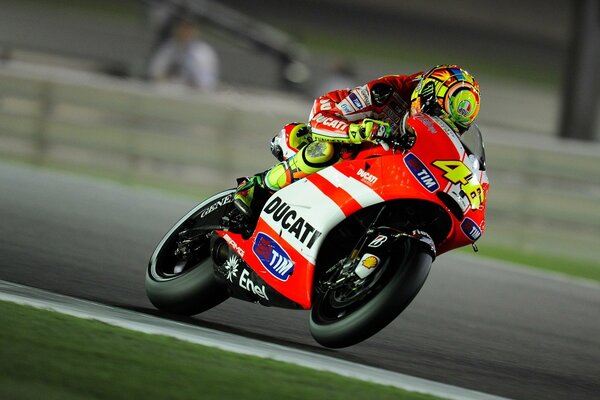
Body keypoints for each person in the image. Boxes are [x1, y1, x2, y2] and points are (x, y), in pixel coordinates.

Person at [234, 64, 481, 220]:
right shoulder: (387, 90)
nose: (437, 125)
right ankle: (257, 186)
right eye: (437, 116)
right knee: (327, 151)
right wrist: (360, 131)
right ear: (425, 97)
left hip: (380, 162)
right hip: (341, 125)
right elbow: (324, 118)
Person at [148, 16, 219, 90]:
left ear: (196, 31)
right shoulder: (169, 46)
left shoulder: (204, 52)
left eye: (189, 28)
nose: (185, 31)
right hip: (168, 90)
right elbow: (155, 72)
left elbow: (206, 83)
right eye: (182, 27)